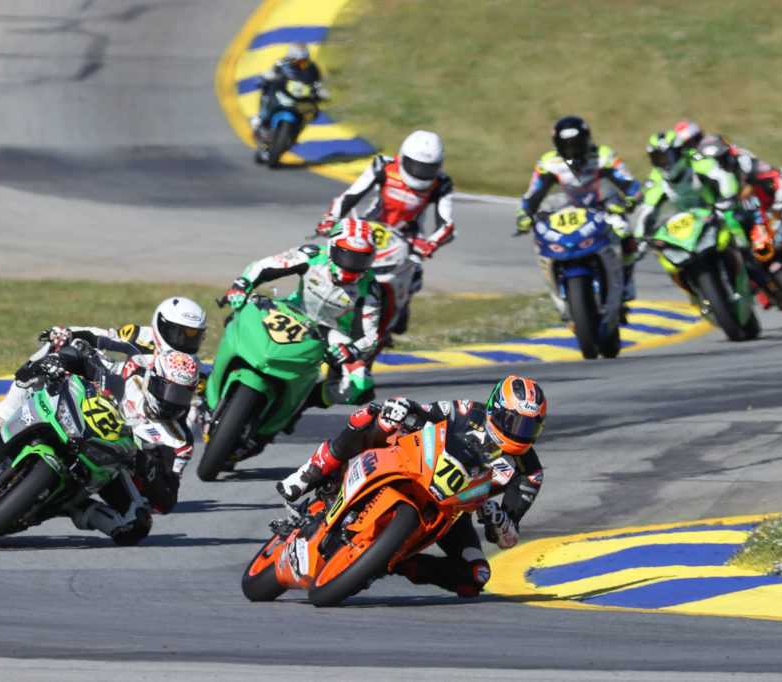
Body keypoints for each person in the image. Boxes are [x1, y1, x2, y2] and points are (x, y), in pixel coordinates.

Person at [277, 376, 547, 598]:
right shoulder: (465, 411)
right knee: (372, 416)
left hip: (450, 512)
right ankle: (312, 471)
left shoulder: (529, 473)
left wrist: (498, 519)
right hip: (414, 465)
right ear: (495, 410)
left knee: (476, 576)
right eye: (514, 422)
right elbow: (424, 411)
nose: (519, 433)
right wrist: (404, 408)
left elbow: (508, 538)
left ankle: (388, 562)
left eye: (529, 428)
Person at [0, 338, 199, 544]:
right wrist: (61, 360)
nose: (171, 401)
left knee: (136, 527)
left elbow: (166, 501)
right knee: (35, 375)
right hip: (76, 421)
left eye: (181, 395)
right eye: (167, 390)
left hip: (111, 464)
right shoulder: (131, 375)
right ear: (152, 379)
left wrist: (147, 467)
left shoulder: (179, 440)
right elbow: (90, 358)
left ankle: (73, 507)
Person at [0, 296, 208, 453]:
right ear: (161, 325)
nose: (184, 342)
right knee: (58, 349)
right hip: (112, 387)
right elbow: (101, 336)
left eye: (193, 337)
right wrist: (69, 334)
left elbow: (189, 418)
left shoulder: (190, 372)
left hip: (144, 427)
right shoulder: (140, 335)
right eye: (179, 333)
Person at [225, 216, 380, 408]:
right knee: (238, 314)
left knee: (361, 385)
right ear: (332, 247)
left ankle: (303, 403)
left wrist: (352, 349)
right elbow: (265, 266)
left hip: (331, 333)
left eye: (360, 258)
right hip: (291, 310)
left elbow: (370, 336)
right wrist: (242, 284)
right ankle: (220, 376)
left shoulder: (370, 288)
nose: (351, 265)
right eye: (346, 255)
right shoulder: (312, 255)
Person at [314, 130, 455, 332]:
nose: (420, 172)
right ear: (403, 157)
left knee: (415, 275)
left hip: (409, 239)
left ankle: (400, 308)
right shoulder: (384, 165)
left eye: (427, 168)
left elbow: (446, 223)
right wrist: (330, 219)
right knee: (339, 260)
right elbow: (352, 194)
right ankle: (324, 305)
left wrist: (431, 243)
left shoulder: (442, 184)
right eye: (415, 165)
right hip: (370, 227)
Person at [694, 132, 782, 307]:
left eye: (722, 160)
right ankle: (760, 289)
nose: (720, 166)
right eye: (714, 162)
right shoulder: (703, 180)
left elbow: (775, 175)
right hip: (736, 222)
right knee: (732, 253)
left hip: (765, 210)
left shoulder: (744, 161)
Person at [516, 116, 644, 303]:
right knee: (542, 234)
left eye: (577, 145)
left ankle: (626, 280)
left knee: (623, 230)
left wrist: (630, 201)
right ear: (558, 147)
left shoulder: (603, 156)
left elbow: (630, 184)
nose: (573, 152)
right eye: (568, 147)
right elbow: (533, 193)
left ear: (587, 140)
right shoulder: (548, 163)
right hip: (572, 207)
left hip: (605, 204)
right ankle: (557, 290)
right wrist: (524, 214)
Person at [635, 130, 746, 303]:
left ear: (679, 152)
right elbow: (647, 210)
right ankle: (694, 293)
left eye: (666, 157)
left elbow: (722, 176)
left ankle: (753, 269)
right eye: (658, 159)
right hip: (682, 223)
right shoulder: (656, 179)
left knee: (736, 229)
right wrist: (640, 238)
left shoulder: (695, 160)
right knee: (664, 257)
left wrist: (728, 196)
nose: (664, 164)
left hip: (712, 210)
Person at [249, 42, 329, 138]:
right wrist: (265, 78)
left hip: (300, 98)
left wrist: (321, 93)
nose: (299, 65)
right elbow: (270, 73)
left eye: (303, 62)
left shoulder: (313, 69)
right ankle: (261, 117)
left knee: (314, 110)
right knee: (266, 92)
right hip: (282, 91)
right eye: (296, 62)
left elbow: (318, 84)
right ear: (290, 59)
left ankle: (298, 129)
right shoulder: (281, 64)